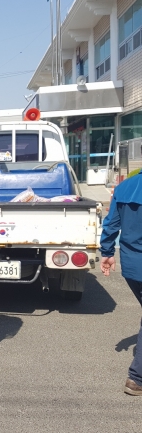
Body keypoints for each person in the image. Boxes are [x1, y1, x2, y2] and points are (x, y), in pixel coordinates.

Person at [100, 169, 142, 396]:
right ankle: (136, 378)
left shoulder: (125, 187)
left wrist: (107, 252)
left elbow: (111, 223)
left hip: (132, 266)